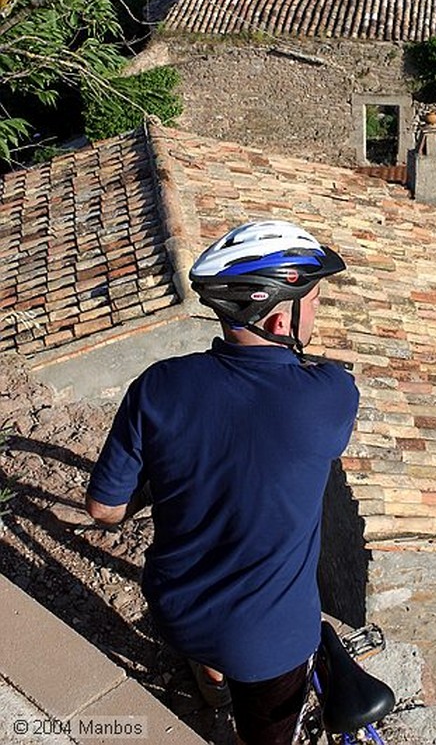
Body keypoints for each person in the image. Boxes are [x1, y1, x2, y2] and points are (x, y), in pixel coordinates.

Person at [85, 220, 359, 745]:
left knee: (210, 648)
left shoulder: (159, 384)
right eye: (316, 298)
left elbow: (104, 510)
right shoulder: (332, 394)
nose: (320, 311)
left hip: (177, 613)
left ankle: (211, 680)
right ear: (281, 320)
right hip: (271, 644)